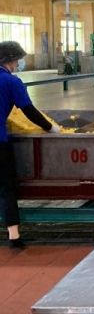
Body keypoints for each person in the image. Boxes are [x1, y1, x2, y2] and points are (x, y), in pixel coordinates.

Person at [0, 41, 60, 249]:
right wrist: (51, 128)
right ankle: (14, 237)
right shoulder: (11, 81)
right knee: (6, 188)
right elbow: (29, 111)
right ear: (11, 60)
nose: (19, 63)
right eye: (17, 59)